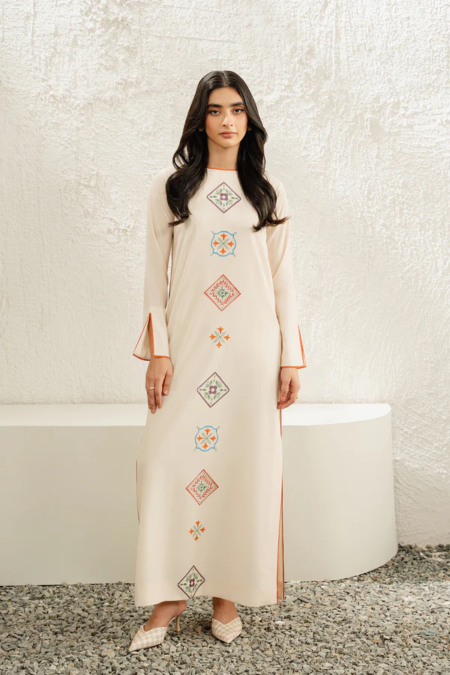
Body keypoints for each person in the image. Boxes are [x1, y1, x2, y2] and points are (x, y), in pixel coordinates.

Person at [129, 70, 307, 652]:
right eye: (214, 110)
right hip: (188, 349)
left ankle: (225, 595)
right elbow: (154, 280)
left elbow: (283, 282)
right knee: (163, 462)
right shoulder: (172, 188)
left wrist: (290, 357)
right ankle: (170, 595)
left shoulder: (268, 191)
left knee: (241, 465)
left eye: (236, 109)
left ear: (249, 118)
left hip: (252, 354)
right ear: (199, 119)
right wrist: (159, 352)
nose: (227, 120)